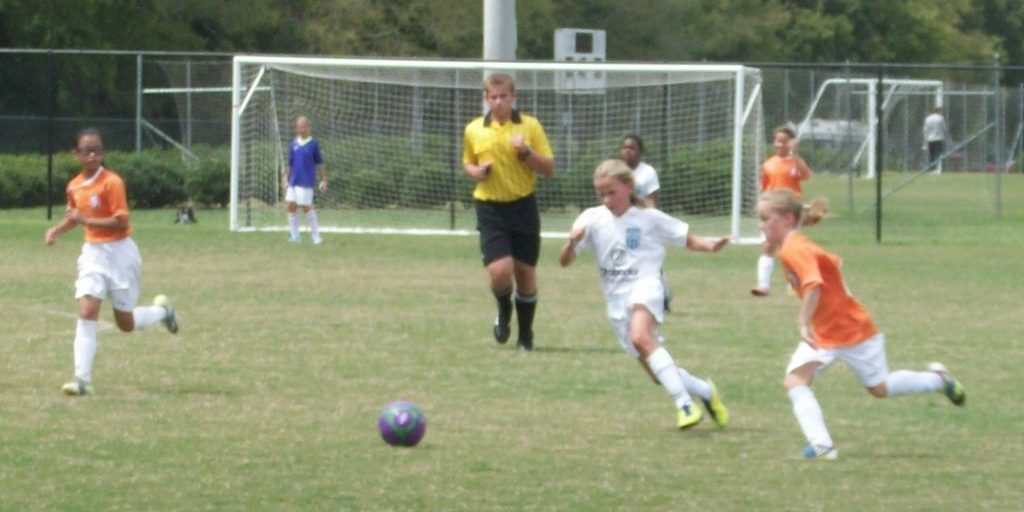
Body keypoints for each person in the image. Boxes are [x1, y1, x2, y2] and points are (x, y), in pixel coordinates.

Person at [756, 189, 966, 459]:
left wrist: (803, 322)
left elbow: (814, 285)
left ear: (786, 218)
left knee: (877, 387)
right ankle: (823, 446)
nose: (761, 226)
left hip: (847, 330)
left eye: (765, 219)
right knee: (801, 381)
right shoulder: (797, 246)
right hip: (831, 331)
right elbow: (829, 268)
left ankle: (938, 381)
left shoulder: (795, 248)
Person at [558, 159, 730, 429]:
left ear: (628, 187)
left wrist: (709, 247)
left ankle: (684, 405)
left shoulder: (648, 217)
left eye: (611, 192)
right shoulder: (591, 219)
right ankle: (706, 392)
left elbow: (685, 237)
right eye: (601, 193)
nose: (606, 199)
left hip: (646, 285)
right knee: (657, 374)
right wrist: (571, 244)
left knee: (641, 337)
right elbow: (564, 261)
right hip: (616, 301)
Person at [44, 128, 179, 396]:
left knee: (125, 324)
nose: (93, 154)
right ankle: (82, 380)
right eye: (87, 150)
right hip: (93, 254)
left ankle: (163, 312)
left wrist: (85, 221)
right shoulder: (73, 185)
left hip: (120, 254)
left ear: (103, 153)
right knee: (86, 311)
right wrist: (57, 230)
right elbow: (75, 215)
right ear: (76, 154)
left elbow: (121, 221)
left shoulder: (112, 182)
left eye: (97, 149)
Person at [463, 72, 555, 351]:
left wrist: (526, 153)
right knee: (500, 271)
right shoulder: (474, 129)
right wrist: (476, 171)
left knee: (525, 273)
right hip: (490, 206)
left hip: (523, 205)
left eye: (504, 96)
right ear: (486, 98)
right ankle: (504, 311)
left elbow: (549, 168)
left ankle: (525, 336)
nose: (499, 102)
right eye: (494, 97)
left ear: (513, 97)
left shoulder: (530, 126)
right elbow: (468, 162)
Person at [752, 125, 812, 297]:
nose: (779, 144)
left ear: (791, 143)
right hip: (773, 211)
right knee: (769, 246)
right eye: (777, 141)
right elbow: (764, 188)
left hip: (790, 212)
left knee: (791, 248)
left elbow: (806, 176)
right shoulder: (769, 164)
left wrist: (796, 154)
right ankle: (763, 285)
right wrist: (761, 207)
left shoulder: (795, 162)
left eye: (783, 141)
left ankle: (795, 284)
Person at [619, 134, 675, 312]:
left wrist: (646, 221)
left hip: (642, 223)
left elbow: (652, 200)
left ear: (640, 151)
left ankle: (664, 296)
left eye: (632, 148)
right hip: (623, 223)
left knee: (648, 260)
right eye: (625, 147)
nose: (628, 151)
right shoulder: (616, 171)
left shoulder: (647, 172)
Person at [285, 116, 328, 244]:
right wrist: (286, 178)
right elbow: (291, 164)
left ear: (308, 128)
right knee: (291, 206)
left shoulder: (313, 144)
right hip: (294, 180)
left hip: (306, 180)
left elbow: (320, 163)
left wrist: (324, 178)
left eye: (304, 126)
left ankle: (316, 236)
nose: (301, 129)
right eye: (299, 127)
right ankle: (295, 236)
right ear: (296, 128)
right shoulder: (294, 143)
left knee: (306, 207)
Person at [922, 107, 949, 173]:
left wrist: (925, 140)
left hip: (930, 139)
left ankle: (932, 168)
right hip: (939, 138)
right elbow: (944, 128)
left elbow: (925, 130)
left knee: (932, 154)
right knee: (939, 154)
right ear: (939, 111)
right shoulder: (940, 118)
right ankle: (938, 169)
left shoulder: (928, 119)